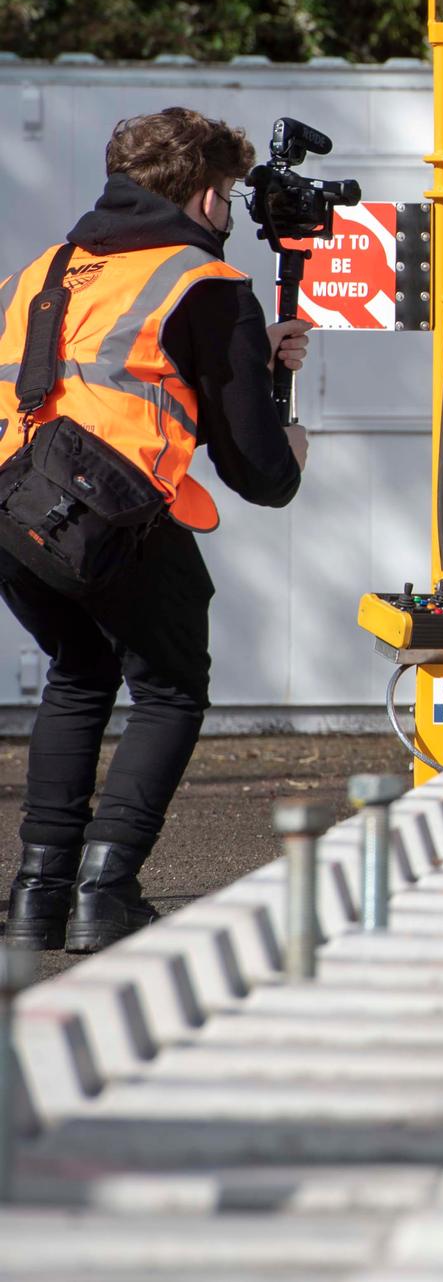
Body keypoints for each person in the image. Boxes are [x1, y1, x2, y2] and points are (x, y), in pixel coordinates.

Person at [2, 109, 310, 953]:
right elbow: (260, 475)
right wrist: (290, 439)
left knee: (77, 673)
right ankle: (107, 890)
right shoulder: (204, 284)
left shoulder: (47, 269)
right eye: (232, 195)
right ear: (207, 194)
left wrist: (244, 358)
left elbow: (101, 379)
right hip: (114, 514)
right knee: (170, 687)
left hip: (14, 511)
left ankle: (37, 898)